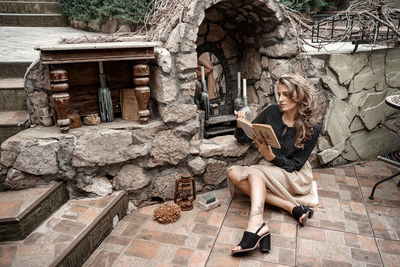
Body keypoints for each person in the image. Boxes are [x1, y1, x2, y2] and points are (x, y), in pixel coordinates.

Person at [228, 74, 321, 255]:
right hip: (268, 168)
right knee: (232, 172)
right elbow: (244, 137)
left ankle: (255, 224)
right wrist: (241, 125)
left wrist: (271, 157)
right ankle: (292, 208)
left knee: (255, 172)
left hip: (294, 175)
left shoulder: (311, 128)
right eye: (279, 94)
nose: (281, 99)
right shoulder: (272, 112)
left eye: (286, 94)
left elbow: (295, 164)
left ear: (299, 95)